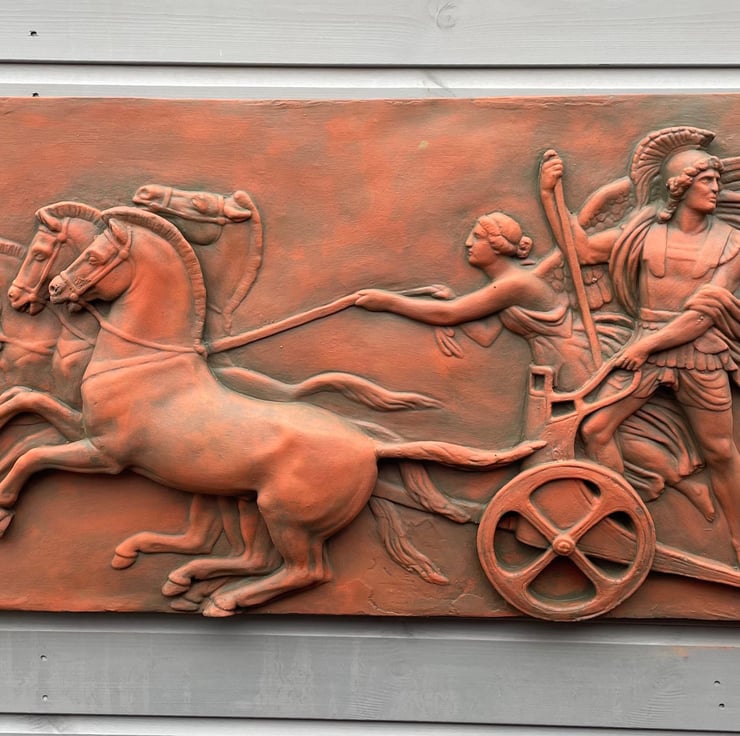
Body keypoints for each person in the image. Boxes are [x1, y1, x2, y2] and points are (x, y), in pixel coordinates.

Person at [541, 128, 740, 562]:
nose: (716, 189)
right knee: (595, 430)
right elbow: (581, 250)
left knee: (721, 451)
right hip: (645, 348)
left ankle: (739, 540)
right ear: (680, 186)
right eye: (707, 181)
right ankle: (627, 523)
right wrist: (549, 194)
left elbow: (702, 316)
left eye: (717, 181)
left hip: (699, 354)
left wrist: (646, 347)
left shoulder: (731, 241)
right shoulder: (642, 233)